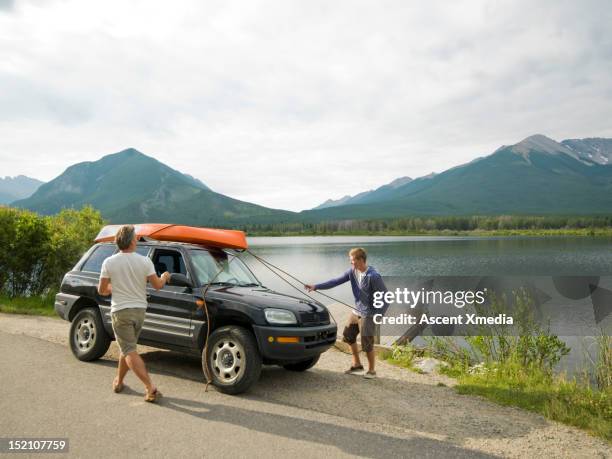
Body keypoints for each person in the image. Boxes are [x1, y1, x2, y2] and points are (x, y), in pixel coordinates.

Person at [97, 225, 170, 402]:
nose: (137, 239)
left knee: (128, 349)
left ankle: (150, 387)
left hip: (121, 312)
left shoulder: (109, 262)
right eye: (136, 237)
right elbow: (158, 286)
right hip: (139, 312)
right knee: (128, 349)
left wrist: (114, 287)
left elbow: (102, 290)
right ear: (131, 240)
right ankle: (119, 381)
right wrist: (165, 276)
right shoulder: (145, 262)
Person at [305, 247, 387, 379]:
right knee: (348, 336)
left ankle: (372, 371)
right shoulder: (352, 272)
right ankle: (357, 365)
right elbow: (335, 281)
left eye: (353, 260)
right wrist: (316, 286)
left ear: (361, 260)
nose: (351, 263)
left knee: (367, 343)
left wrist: (379, 315)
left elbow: (386, 297)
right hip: (356, 311)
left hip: (369, 314)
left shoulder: (373, 276)